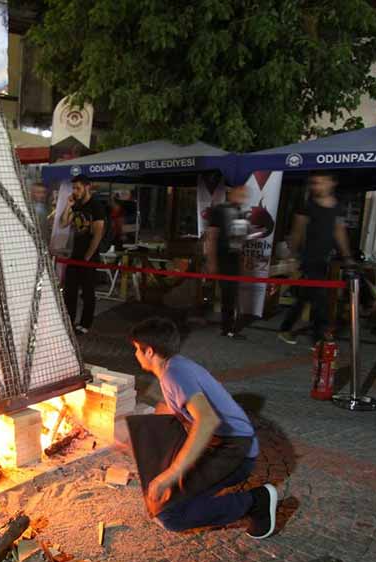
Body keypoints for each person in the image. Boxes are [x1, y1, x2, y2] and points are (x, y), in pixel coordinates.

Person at [126, 317, 278, 537]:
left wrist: (170, 474)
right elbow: (171, 409)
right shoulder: (175, 365)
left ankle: (256, 501)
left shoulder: (174, 374)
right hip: (220, 444)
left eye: (136, 350)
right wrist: (133, 440)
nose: (135, 355)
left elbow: (206, 420)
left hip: (235, 451)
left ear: (149, 351)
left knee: (172, 515)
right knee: (163, 497)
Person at [278, 172, 352, 345]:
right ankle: (319, 339)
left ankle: (286, 329)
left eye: (321, 182)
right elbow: (297, 232)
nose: (317, 186)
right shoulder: (306, 206)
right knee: (320, 299)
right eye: (314, 183)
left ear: (332, 183)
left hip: (325, 259)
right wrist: (292, 257)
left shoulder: (337, 207)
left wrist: (347, 256)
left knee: (306, 296)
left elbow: (339, 231)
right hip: (309, 258)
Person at [59, 175, 107, 335]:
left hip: (88, 256)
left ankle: (85, 323)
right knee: (69, 291)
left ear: (88, 187)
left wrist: (88, 256)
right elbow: (63, 223)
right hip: (75, 254)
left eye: (78, 188)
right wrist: (68, 205)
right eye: (74, 188)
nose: (75, 191)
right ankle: (69, 321)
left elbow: (98, 233)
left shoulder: (96, 206)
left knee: (87, 292)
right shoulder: (77, 205)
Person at [206, 185, 250, 339]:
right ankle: (227, 328)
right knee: (228, 293)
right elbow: (211, 236)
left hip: (235, 257)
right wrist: (212, 260)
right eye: (240, 192)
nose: (243, 196)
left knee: (233, 293)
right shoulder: (219, 210)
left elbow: (241, 239)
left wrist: (243, 259)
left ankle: (231, 326)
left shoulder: (242, 213)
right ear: (231, 193)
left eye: (244, 193)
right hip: (223, 256)